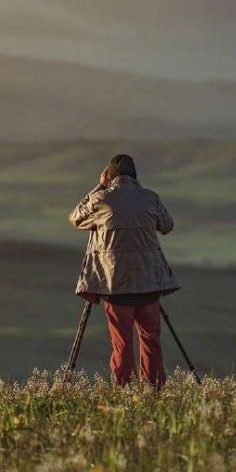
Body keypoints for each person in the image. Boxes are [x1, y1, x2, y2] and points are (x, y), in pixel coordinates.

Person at [68, 154, 179, 387]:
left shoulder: (101, 199)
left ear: (109, 176)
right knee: (151, 338)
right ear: (135, 176)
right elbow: (167, 225)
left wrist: (99, 185)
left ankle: (124, 390)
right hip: (149, 281)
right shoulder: (150, 198)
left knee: (122, 341)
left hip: (115, 283)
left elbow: (75, 218)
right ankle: (154, 390)